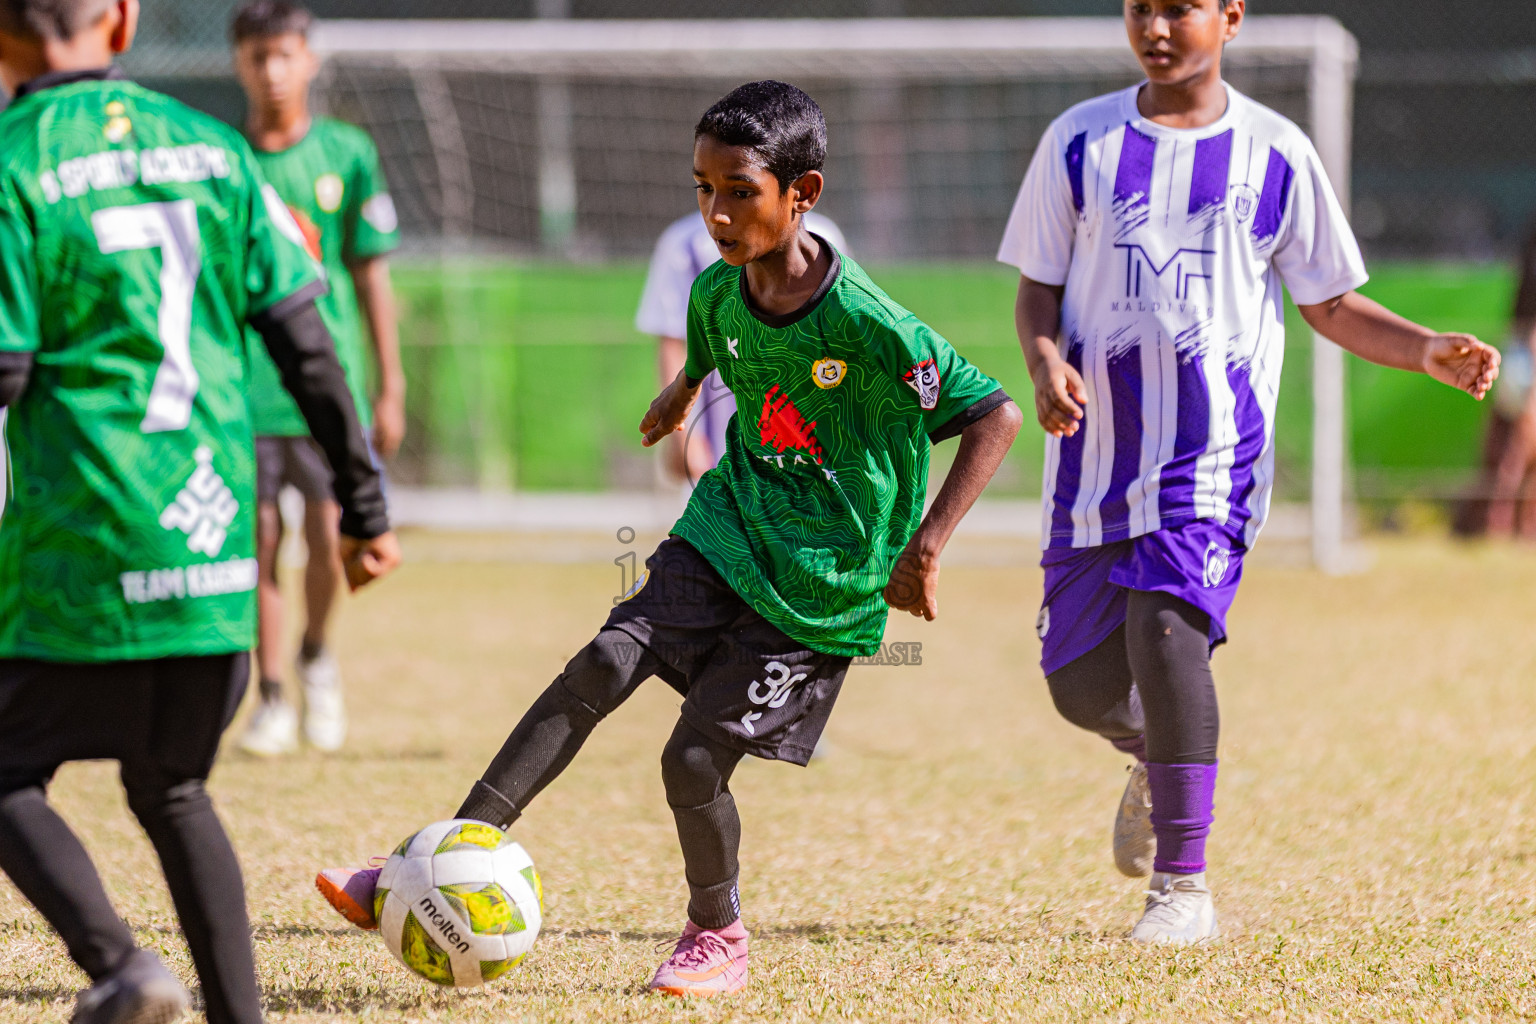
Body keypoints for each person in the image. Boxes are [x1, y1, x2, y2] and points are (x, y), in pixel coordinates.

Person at [316, 80, 1023, 997]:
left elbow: (994, 414)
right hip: (727, 528)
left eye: (740, 191)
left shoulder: (874, 326)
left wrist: (924, 547)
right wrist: (680, 393)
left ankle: (716, 933)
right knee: (602, 663)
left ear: (802, 193)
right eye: (703, 189)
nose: (717, 212)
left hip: (821, 585)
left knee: (689, 759)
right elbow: (715, 347)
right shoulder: (716, 291)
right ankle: (430, 865)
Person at [999, 0, 1499, 945]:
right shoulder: (1078, 142)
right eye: (1140, 7)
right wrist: (1042, 360)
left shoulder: (1276, 152)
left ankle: (1182, 887)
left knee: (1169, 627)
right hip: (1094, 459)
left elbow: (1334, 302)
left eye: (1180, 8)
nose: (1156, 26)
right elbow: (1039, 280)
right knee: (1078, 684)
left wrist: (1426, 346)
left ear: (1229, 17)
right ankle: (1159, 752)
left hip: (1214, 456)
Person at [0, 2, 401, 1022]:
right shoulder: (216, 152)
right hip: (212, 546)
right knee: (172, 784)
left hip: (82, 546)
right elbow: (308, 340)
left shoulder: (11, 159)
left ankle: (122, 966)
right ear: (123, 19)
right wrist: (363, 501)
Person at [231, 0, 405, 756]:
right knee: (258, 540)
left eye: (284, 54)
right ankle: (269, 696)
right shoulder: (222, 158)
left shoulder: (347, 152)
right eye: (257, 55)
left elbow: (371, 275)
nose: (272, 70)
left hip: (327, 387)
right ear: (238, 62)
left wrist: (389, 384)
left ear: (309, 58)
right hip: (243, 387)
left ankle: (316, 657)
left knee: (332, 533)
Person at [637, 209, 846, 483]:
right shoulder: (685, 244)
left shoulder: (824, 237)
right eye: (704, 186)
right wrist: (683, 435)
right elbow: (672, 340)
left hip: (805, 445)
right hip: (718, 446)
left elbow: (839, 345)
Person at [1456, 219, 1536, 539]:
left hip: (1523, 344)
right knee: (1510, 444)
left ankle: (1518, 527)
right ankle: (1494, 523)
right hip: (1524, 346)